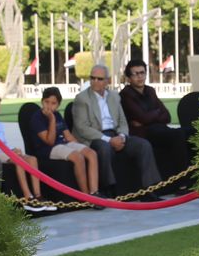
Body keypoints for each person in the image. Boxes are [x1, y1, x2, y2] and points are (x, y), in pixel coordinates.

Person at [68, 65, 162, 199]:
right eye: (92, 78)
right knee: (104, 148)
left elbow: (122, 121)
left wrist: (122, 136)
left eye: (99, 79)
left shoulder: (114, 96)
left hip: (115, 134)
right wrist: (109, 140)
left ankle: (149, 189)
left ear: (108, 80)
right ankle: (109, 188)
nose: (95, 81)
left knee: (143, 145)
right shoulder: (82, 98)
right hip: (95, 136)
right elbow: (82, 128)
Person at [0, 91, 49, 212]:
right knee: (17, 159)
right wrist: (11, 152)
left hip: (1, 152)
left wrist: (12, 150)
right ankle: (28, 197)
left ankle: (38, 195)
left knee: (32, 159)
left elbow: (2, 143)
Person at [118, 59, 190, 178]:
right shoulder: (126, 94)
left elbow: (167, 116)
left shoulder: (150, 91)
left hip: (159, 129)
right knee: (178, 134)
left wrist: (149, 116)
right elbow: (144, 118)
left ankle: (196, 174)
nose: (140, 77)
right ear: (129, 78)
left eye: (142, 73)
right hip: (144, 133)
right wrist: (156, 113)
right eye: (135, 74)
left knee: (190, 131)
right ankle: (182, 179)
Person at [27, 86, 99, 198]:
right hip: (47, 149)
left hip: (62, 144)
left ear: (58, 105)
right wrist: (52, 120)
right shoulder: (37, 118)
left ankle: (94, 192)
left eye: (53, 103)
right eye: (46, 102)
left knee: (91, 153)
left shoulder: (57, 115)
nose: (49, 106)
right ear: (42, 101)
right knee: (78, 157)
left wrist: (81, 147)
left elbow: (68, 136)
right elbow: (50, 141)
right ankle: (85, 196)